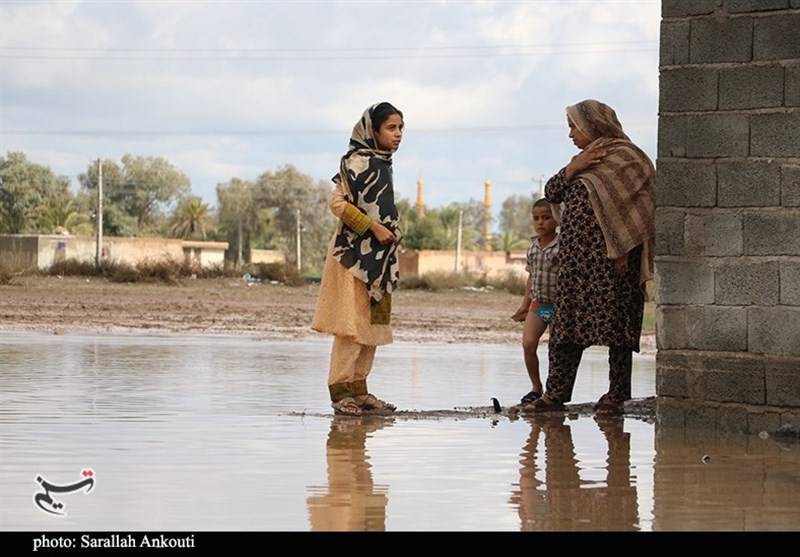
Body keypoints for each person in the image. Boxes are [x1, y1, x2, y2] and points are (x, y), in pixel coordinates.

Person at [529, 99, 655, 416]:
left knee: (617, 331)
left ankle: (616, 395)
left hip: (615, 263)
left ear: (593, 125)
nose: (571, 134)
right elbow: (552, 191)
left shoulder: (630, 159)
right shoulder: (581, 162)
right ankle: (554, 395)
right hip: (574, 264)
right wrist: (574, 167)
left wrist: (624, 248)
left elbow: (640, 211)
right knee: (565, 330)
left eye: (574, 126)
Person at [311, 102, 404, 416]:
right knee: (351, 325)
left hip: (382, 260)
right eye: (391, 128)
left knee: (373, 325)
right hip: (354, 256)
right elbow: (335, 203)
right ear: (373, 130)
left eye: (401, 128)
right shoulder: (356, 162)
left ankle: (360, 390)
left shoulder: (383, 163)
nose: (398, 134)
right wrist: (372, 227)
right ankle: (341, 392)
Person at [511, 198, 560, 405]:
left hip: (560, 306)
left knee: (557, 350)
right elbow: (531, 276)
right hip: (539, 305)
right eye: (536, 218)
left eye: (546, 218)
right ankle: (536, 387)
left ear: (557, 219)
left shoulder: (563, 245)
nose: (541, 223)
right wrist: (524, 304)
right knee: (528, 344)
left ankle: (555, 391)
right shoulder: (532, 247)